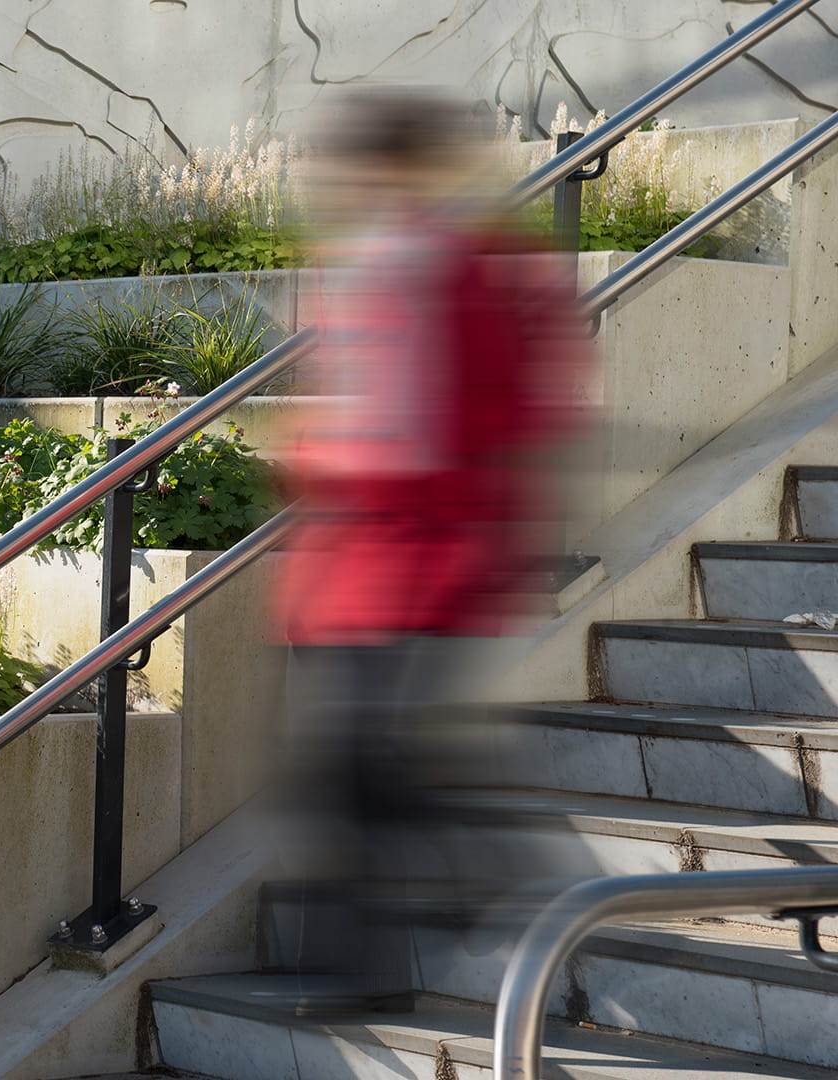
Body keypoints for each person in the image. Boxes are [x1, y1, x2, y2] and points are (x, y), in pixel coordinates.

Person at [263, 86, 589, 1015]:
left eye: (366, 166)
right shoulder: (370, 261)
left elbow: (492, 414)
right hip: (361, 561)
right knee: (344, 765)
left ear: (402, 167)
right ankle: (368, 962)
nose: (349, 183)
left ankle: (509, 882)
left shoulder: (470, 263)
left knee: (373, 759)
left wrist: (339, 462)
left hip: (427, 555)